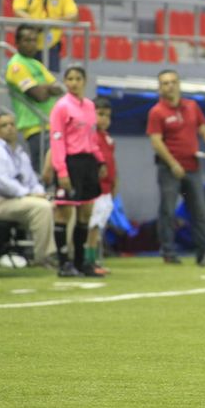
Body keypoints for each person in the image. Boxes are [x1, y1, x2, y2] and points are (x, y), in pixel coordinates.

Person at [146, 69, 205, 264]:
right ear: (160, 87)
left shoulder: (192, 107)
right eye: (165, 83)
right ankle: (168, 252)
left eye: (173, 82)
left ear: (179, 84)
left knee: (200, 210)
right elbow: (156, 142)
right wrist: (173, 164)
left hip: (193, 166)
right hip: (169, 168)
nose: (170, 86)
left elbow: (204, 130)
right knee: (167, 210)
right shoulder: (157, 112)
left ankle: (204, 253)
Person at [48, 66, 107, 278]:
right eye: (69, 79)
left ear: (85, 81)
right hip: (70, 163)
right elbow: (57, 140)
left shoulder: (90, 106)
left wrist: (100, 161)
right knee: (63, 213)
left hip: (88, 163)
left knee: (86, 212)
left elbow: (92, 138)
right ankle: (64, 263)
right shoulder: (61, 107)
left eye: (77, 79)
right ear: (65, 82)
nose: (73, 83)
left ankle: (82, 263)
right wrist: (61, 170)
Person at [4, 24, 65, 174]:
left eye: (33, 40)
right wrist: (46, 88)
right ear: (17, 43)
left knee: (56, 171)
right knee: (43, 173)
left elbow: (59, 88)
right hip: (36, 128)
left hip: (51, 126)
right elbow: (39, 96)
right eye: (26, 40)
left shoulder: (36, 64)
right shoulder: (16, 66)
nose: (31, 44)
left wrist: (44, 88)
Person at [0, 107, 54, 268]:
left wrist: (40, 193)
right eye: (4, 125)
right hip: (3, 201)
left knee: (60, 205)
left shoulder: (20, 153)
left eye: (12, 124)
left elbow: (32, 180)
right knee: (41, 208)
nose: (9, 128)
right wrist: (29, 194)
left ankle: (67, 256)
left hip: (20, 200)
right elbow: (2, 182)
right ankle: (42, 258)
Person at [12, 0, 79, 73]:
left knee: (51, 82)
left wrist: (49, 23)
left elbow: (73, 16)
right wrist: (35, 23)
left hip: (51, 47)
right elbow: (18, 12)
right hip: (27, 45)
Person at [83, 96, 118, 276]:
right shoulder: (89, 136)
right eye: (100, 114)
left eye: (107, 115)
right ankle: (87, 261)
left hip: (106, 191)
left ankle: (94, 260)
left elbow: (112, 164)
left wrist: (114, 185)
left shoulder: (108, 139)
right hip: (95, 191)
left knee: (98, 227)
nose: (104, 119)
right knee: (91, 227)